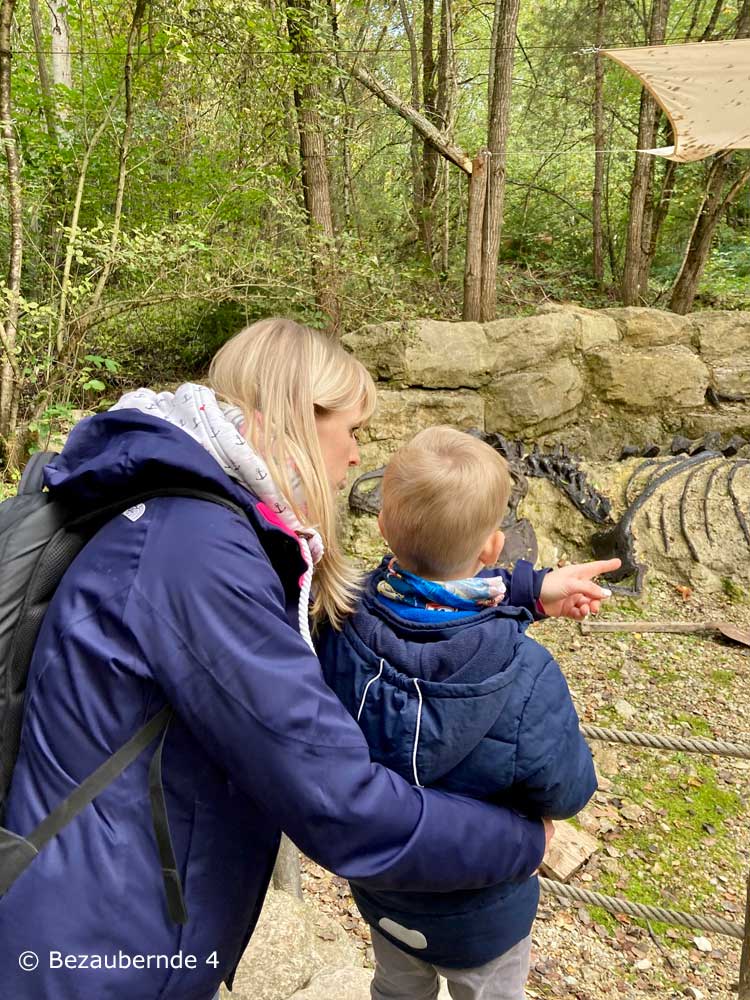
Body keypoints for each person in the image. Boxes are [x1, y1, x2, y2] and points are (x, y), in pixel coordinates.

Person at [0, 320, 560, 1000]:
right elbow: (340, 804)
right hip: (97, 955)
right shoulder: (200, 554)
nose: (356, 456)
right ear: (299, 413)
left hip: (98, 911)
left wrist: (527, 589)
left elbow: (384, 595)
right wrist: (522, 842)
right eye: (352, 429)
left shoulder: (178, 512)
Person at [317, 426, 615, 1000]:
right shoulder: (527, 675)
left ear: (382, 524)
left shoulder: (337, 626)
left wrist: (529, 592)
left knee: (397, 985)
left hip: (384, 890)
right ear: (492, 549)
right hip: (484, 911)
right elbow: (569, 792)